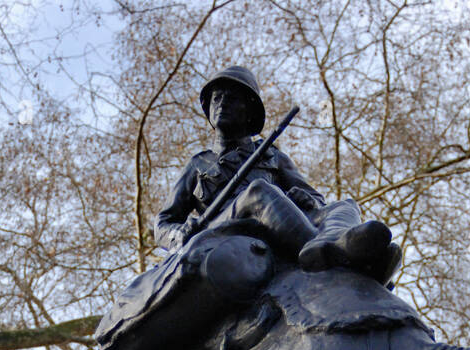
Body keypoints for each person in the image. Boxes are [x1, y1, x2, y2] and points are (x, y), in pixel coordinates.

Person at [155, 66, 400, 284]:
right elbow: (163, 223)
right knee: (259, 191)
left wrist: (306, 200)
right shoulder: (198, 164)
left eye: (232, 98)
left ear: (249, 111)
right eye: (217, 99)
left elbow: (314, 198)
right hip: (224, 230)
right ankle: (324, 253)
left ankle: (346, 246)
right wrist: (179, 234)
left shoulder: (272, 156)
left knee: (345, 205)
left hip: (275, 226)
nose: (222, 103)